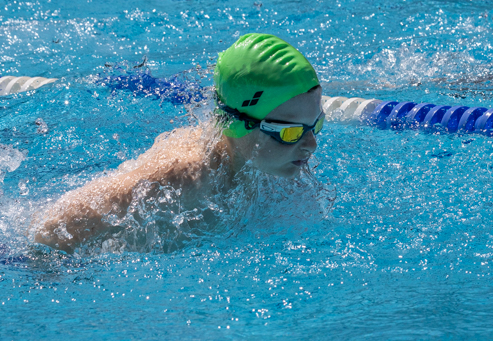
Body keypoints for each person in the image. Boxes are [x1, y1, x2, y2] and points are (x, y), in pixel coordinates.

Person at [33, 33, 324, 252]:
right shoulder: (183, 177)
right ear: (238, 124)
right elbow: (57, 224)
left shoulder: (277, 163)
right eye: (290, 132)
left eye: (316, 125)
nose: (310, 144)